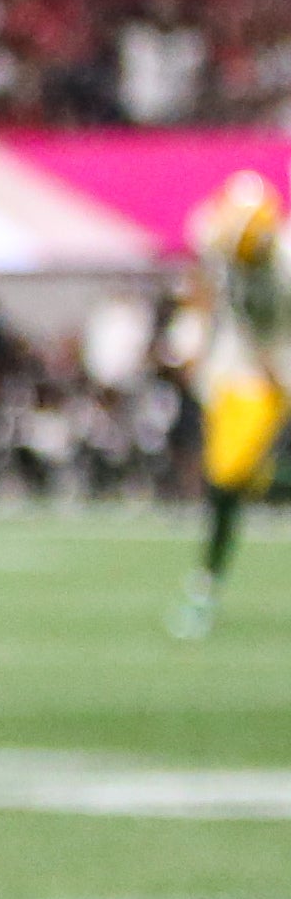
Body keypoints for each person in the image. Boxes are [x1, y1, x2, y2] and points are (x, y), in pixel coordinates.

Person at [166, 169, 285, 639]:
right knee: (225, 482)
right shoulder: (214, 238)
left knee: (230, 478)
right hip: (237, 373)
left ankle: (204, 587)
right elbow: (203, 283)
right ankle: (205, 587)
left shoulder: (283, 267)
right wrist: (192, 337)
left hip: (274, 372)